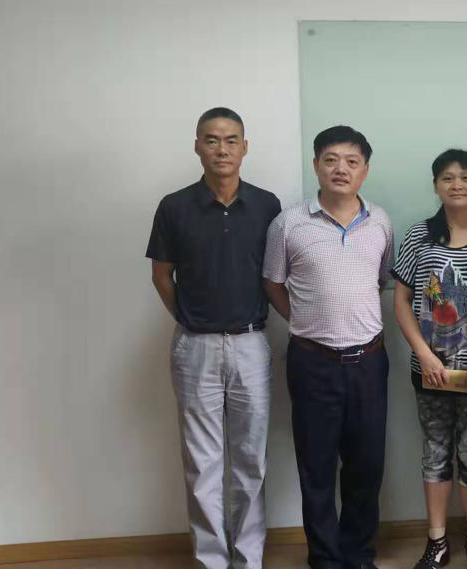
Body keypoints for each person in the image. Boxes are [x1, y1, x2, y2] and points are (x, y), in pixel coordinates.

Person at [146, 107, 281, 568]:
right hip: (195, 347)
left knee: (250, 460)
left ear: (245, 147)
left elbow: (275, 275)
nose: (221, 149)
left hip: (251, 344)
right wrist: (190, 319)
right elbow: (161, 275)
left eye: (230, 140)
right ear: (197, 146)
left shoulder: (267, 205)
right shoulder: (174, 206)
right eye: (211, 139)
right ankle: (212, 561)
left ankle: (247, 559)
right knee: (202, 463)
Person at [263, 125, 393, 569]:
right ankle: (324, 557)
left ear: (365, 170)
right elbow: (272, 283)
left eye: (352, 161)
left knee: (366, 465)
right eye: (331, 159)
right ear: (316, 164)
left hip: (369, 362)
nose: (341, 169)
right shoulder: (288, 223)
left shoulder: (380, 222)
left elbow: (380, 281)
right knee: (316, 466)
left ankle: (359, 555)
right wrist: (303, 320)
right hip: (312, 363)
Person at [392, 149, 467, 569]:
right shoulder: (418, 235)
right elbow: (401, 301)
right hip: (431, 371)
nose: (457, 184)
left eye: (466, 177)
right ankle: (436, 540)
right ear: (436, 185)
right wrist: (424, 354)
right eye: (447, 177)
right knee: (434, 453)